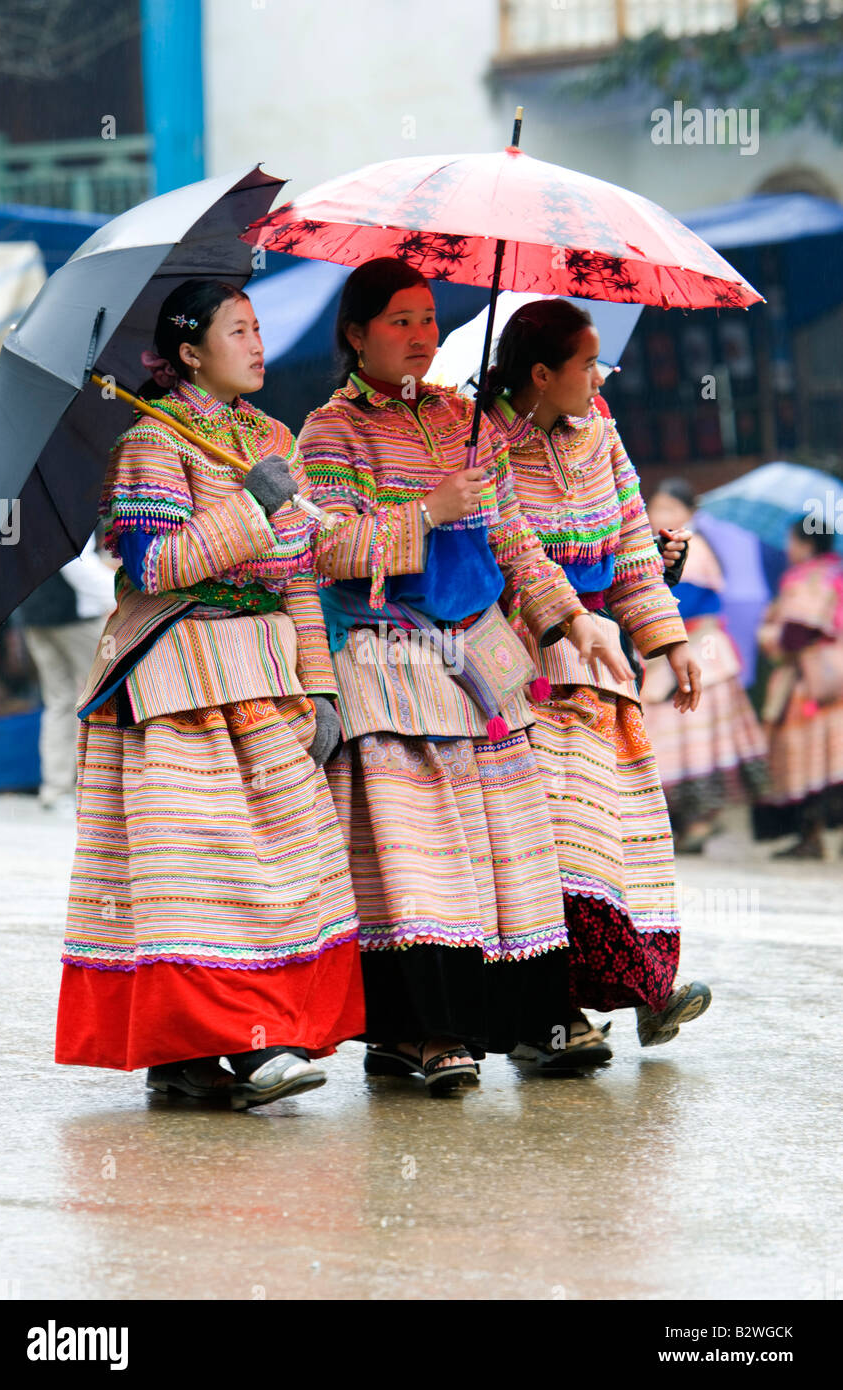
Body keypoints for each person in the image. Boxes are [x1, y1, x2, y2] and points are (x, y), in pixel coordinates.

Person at [298, 257, 630, 1095]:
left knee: (508, 853)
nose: (419, 336)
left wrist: (575, 617)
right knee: (418, 860)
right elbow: (324, 547)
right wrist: (426, 513)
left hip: (482, 654)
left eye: (427, 319)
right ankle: (416, 1032)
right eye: (399, 320)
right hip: (388, 655)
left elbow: (513, 539)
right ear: (356, 334)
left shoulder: (464, 419)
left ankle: (528, 1021)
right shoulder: (328, 432)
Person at [55, 279, 363, 1109]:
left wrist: (322, 686)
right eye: (238, 330)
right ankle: (235, 1048)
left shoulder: (271, 437)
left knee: (288, 858)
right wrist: (252, 512)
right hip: (180, 683)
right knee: (208, 871)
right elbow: (155, 568)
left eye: (259, 328)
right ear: (189, 353)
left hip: (268, 677)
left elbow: (299, 571)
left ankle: (214, 1047)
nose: (258, 345)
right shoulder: (151, 440)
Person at [483, 298, 712, 1066]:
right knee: (557, 844)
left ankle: (643, 988)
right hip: (521, 660)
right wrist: (565, 622)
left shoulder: (601, 432)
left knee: (622, 836)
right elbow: (510, 555)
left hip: (604, 665)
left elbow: (633, 545)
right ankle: (549, 1018)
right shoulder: (484, 442)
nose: (600, 376)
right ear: (542, 374)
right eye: (588, 364)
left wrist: (670, 640)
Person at [642, 479, 768, 852]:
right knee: (672, 740)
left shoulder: (690, 548)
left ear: (689, 513)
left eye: (668, 508)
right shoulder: (655, 550)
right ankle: (683, 824)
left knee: (696, 740)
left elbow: (685, 602)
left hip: (698, 652)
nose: (658, 516)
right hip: (666, 652)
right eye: (655, 507)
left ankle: (699, 822)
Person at [753, 518, 843, 858]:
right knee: (834, 761)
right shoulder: (837, 572)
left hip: (811, 683)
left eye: (791, 541)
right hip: (835, 674)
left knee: (808, 761)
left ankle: (811, 836)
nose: (788, 548)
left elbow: (796, 633)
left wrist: (769, 633)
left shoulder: (808, 578)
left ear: (807, 545)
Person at [19, 533, 117, 811]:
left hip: (34, 612)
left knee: (59, 701)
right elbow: (76, 564)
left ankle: (56, 788)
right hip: (72, 615)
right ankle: (101, 788)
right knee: (104, 696)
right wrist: (118, 591)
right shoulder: (69, 498)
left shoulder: (25, 498)